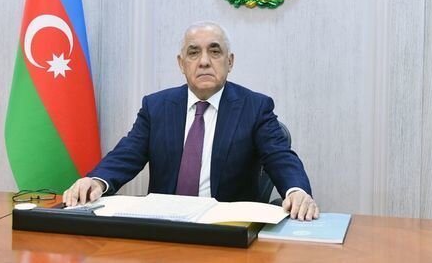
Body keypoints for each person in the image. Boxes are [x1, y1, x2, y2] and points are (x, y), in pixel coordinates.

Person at [64, 22, 319, 221]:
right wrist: (96, 180)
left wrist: (296, 191)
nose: (204, 61)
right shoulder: (157, 107)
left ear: (230, 62)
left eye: (215, 51)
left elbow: (280, 156)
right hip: (166, 229)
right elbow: (127, 154)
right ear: (181, 63)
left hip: (227, 231)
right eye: (194, 53)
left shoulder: (255, 107)